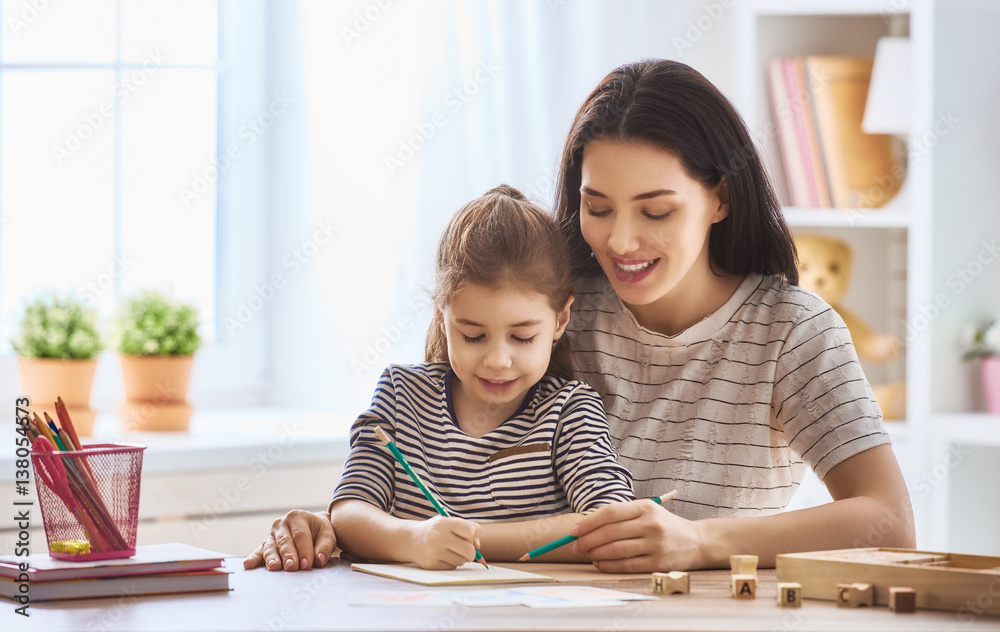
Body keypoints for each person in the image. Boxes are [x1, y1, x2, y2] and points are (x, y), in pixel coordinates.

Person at [244, 59, 914, 574]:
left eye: (656, 211)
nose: (620, 241)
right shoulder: (552, 308)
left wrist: (703, 540)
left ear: (720, 199)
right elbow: (441, 461)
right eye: (597, 207)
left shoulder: (791, 331)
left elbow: (889, 521)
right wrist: (345, 528)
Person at [321, 185, 635, 570]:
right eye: (473, 335)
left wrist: (469, 540)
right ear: (441, 317)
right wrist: (413, 540)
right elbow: (350, 513)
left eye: (522, 337)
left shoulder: (569, 410)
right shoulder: (401, 395)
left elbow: (611, 523)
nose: (498, 361)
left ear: (560, 320)